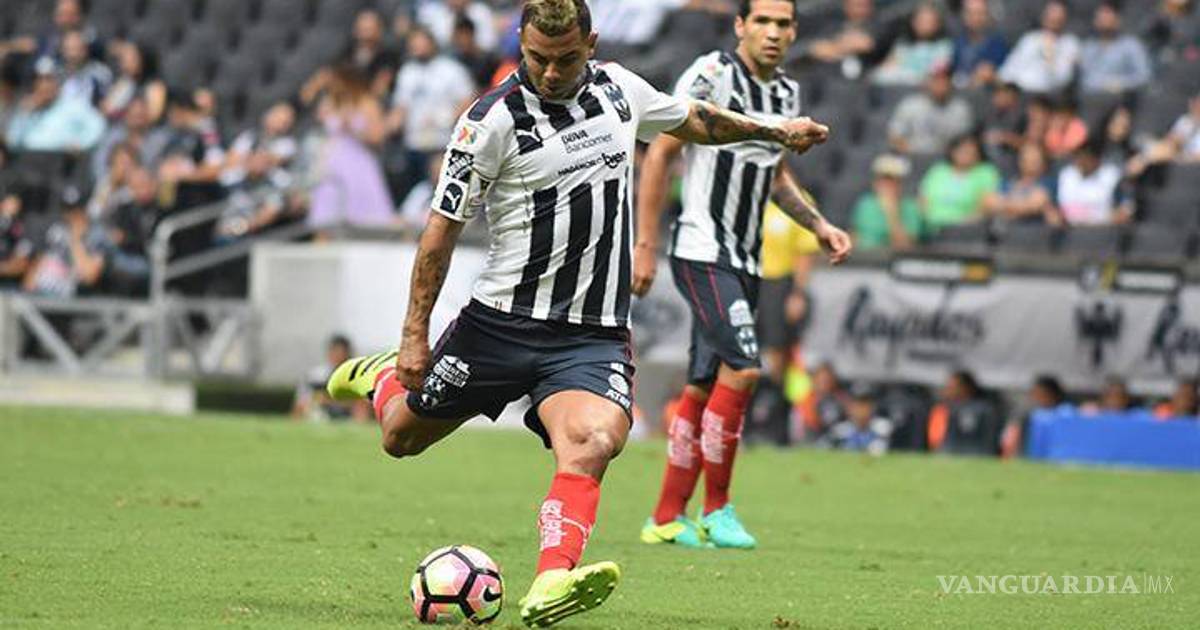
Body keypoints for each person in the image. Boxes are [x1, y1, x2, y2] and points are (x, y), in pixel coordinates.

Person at [324, 0, 831, 625]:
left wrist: (774, 132)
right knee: (401, 438)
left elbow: (695, 120)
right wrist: (412, 337)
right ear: (521, 42)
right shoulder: (488, 123)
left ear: (590, 44)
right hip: (499, 325)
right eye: (537, 57)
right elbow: (439, 233)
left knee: (594, 441)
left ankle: (551, 579)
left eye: (565, 59)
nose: (550, 72)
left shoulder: (620, 90)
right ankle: (380, 379)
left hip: (590, 336)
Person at [632, 0, 852, 551]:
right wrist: (645, 245)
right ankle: (717, 509)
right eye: (763, 21)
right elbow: (660, 154)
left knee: (703, 385)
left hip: (747, 259)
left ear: (794, 32)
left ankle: (666, 517)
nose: (773, 32)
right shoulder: (712, 74)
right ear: (740, 26)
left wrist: (819, 224)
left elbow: (774, 176)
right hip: (703, 249)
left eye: (783, 23)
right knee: (747, 368)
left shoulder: (786, 94)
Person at [308, 64, 394, 232]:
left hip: (358, 162)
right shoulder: (330, 103)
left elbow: (378, 137)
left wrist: (353, 130)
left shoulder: (367, 103)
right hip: (333, 162)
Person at [5, 58, 105, 152]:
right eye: (39, 80)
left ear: (58, 82)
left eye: (49, 79)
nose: (44, 85)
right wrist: (24, 114)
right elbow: (12, 142)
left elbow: (99, 126)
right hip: (29, 158)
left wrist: (81, 144)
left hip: (60, 159)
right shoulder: (27, 110)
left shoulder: (73, 105)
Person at [919, 134, 1000, 233]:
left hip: (965, 226)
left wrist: (963, 223)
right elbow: (923, 199)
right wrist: (927, 220)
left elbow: (986, 205)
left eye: (970, 152)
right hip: (931, 223)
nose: (965, 155)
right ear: (952, 151)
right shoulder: (939, 170)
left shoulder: (985, 172)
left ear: (978, 154)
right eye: (961, 151)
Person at [887, 64, 974, 156]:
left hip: (947, 160)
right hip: (913, 156)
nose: (940, 84)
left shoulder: (960, 108)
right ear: (927, 82)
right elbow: (895, 137)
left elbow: (965, 143)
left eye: (944, 79)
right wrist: (912, 153)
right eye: (936, 79)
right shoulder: (910, 105)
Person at [998, 1, 1079, 95]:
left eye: (1057, 15)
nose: (1053, 17)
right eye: (1050, 13)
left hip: (1046, 96)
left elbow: (1062, 80)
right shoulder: (1030, 38)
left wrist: (1050, 56)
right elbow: (1009, 70)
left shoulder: (1070, 44)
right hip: (1018, 92)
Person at [1079, 2, 1153, 95]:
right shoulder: (1088, 47)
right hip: (1091, 99)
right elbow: (1085, 79)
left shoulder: (1130, 45)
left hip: (1122, 98)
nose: (1103, 19)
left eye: (1108, 14)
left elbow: (1144, 77)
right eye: (1100, 15)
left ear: (1117, 19)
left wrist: (1120, 84)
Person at [872, 2, 952, 86]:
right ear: (913, 22)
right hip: (898, 86)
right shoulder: (903, 44)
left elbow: (937, 73)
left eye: (929, 22)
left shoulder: (943, 47)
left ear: (938, 24)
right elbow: (887, 68)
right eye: (921, 21)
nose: (924, 25)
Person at [853, 153, 923, 250]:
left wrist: (891, 213)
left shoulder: (910, 207)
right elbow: (855, 234)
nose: (888, 185)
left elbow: (905, 246)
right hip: (863, 256)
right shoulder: (865, 204)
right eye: (884, 179)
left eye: (893, 180)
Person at [293, 335, 369, 422]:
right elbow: (302, 402)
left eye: (341, 353)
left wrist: (331, 401)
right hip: (320, 415)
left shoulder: (356, 376)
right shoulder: (315, 377)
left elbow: (364, 403)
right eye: (335, 352)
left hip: (348, 416)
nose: (338, 356)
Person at [1056, 142, 1133, 226]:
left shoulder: (1111, 175)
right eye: (1078, 158)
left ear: (1096, 159)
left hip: (1104, 228)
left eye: (1085, 158)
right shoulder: (1066, 175)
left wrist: (1123, 212)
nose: (1082, 163)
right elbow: (1056, 205)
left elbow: (1127, 204)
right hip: (1070, 229)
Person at [983, 143, 1058, 225]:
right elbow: (988, 202)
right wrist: (1019, 205)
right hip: (1005, 229)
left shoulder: (1048, 182)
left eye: (1035, 160)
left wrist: (1003, 205)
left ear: (1043, 161)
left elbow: (1035, 203)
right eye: (1026, 159)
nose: (1030, 163)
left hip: (1032, 228)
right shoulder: (1009, 181)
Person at [820, 382, 892, 454]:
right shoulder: (840, 431)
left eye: (865, 403)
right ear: (849, 407)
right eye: (857, 404)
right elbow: (821, 449)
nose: (861, 409)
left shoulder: (883, 428)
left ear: (873, 406)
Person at [951, 0, 1008, 88]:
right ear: (963, 15)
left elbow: (1002, 77)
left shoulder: (998, 45)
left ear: (987, 15)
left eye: (980, 13)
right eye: (970, 13)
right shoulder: (957, 43)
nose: (975, 18)